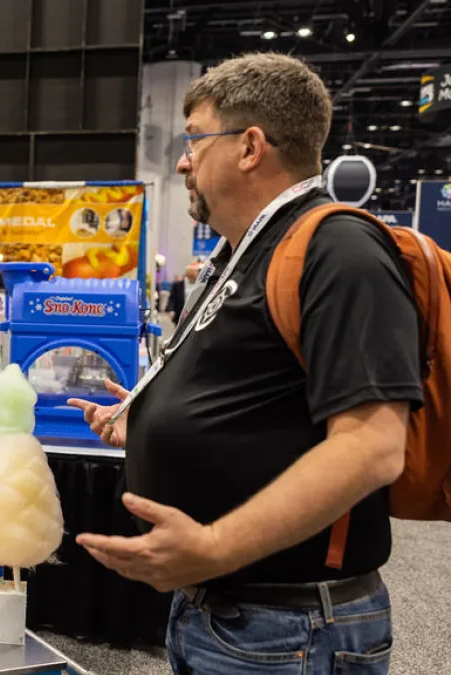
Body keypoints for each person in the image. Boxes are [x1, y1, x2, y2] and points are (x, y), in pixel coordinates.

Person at [67, 53, 418, 674]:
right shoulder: (247, 252)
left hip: (291, 628)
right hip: (226, 615)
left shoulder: (339, 250)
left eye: (195, 140)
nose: (182, 161)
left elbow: (372, 448)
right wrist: (152, 424)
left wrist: (213, 545)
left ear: (250, 147)